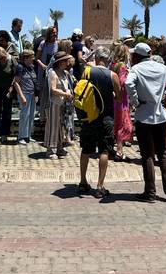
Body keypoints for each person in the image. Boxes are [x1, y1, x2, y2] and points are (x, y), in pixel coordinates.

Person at [126, 42, 166, 203]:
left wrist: (135, 101)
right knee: (163, 153)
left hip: (144, 115)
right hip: (160, 115)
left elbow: (128, 83)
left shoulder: (136, 69)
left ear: (136, 56)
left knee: (147, 155)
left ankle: (150, 192)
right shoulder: (161, 67)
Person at [78, 48, 121, 200]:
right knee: (104, 151)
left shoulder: (87, 72)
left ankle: (82, 182)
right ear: (108, 59)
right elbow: (119, 97)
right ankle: (100, 186)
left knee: (86, 150)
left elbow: (80, 91)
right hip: (106, 118)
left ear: (96, 58)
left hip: (89, 117)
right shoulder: (113, 75)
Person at [44, 52, 73, 158]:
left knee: (62, 126)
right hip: (54, 104)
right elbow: (53, 89)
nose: (67, 62)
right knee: (53, 126)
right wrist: (65, 94)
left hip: (64, 104)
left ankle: (60, 147)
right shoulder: (52, 73)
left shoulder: (65, 73)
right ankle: (50, 149)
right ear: (60, 62)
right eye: (65, 60)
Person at [0, 47, 17, 142]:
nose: (0, 60)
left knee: (7, 110)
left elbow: (16, 75)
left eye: (1, 58)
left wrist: (12, 87)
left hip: (8, 88)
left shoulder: (11, 60)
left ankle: (5, 133)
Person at [110, 44, 133, 161]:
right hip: (122, 99)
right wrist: (129, 75)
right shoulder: (122, 66)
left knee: (116, 123)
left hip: (113, 98)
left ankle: (113, 150)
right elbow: (123, 82)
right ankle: (119, 152)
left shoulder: (112, 65)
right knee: (123, 125)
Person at [13, 50, 38, 144]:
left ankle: (28, 135)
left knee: (31, 115)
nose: (33, 59)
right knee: (25, 115)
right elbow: (16, 82)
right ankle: (21, 137)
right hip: (25, 94)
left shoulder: (32, 68)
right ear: (26, 58)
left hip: (32, 94)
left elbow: (34, 82)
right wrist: (22, 96)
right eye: (32, 57)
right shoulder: (20, 67)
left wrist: (36, 94)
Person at [36, 26, 58, 118]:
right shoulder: (43, 44)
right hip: (43, 71)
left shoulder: (58, 44)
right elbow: (36, 58)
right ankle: (41, 111)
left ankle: (50, 111)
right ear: (49, 33)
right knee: (42, 90)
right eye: (53, 32)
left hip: (53, 72)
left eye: (56, 32)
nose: (55, 34)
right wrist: (42, 66)